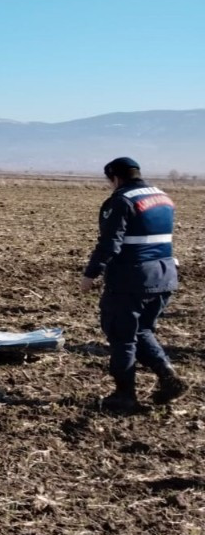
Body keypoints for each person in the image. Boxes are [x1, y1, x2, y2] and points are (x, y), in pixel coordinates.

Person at [81, 156, 187, 412]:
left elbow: (110, 243)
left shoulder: (121, 201)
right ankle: (167, 375)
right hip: (165, 275)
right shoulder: (163, 197)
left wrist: (91, 274)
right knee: (141, 331)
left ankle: (124, 395)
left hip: (132, 279)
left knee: (122, 336)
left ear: (115, 178)